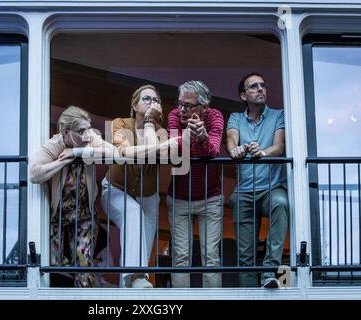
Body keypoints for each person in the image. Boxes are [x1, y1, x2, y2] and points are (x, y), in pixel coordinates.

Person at [29, 105, 118, 288]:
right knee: (53, 264)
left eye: (88, 129)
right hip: (57, 218)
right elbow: (34, 174)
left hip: (84, 216)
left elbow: (114, 154)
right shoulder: (54, 145)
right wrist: (64, 160)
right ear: (66, 132)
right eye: (81, 131)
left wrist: (77, 152)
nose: (87, 135)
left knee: (83, 263)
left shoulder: (89, 139)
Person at [100, 84, 169, 288]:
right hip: (115, 190)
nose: (152, 103)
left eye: (156, 100)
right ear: (134, 104)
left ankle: (131, 290)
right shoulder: (120, 124)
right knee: (132, 211)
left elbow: (158, 155)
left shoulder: (162, 133)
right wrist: (152, 147)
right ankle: (137, 277)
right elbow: (124, 153)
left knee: (140, 252)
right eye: (147, 99)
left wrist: (149, 124)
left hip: (148, 198)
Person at [226, 73, 289, 288]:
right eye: (254, 86)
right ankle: (248, 291)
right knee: (245, 254)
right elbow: (231, 139)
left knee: (281, 203)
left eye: (263, 85)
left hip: (272, 188)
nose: (260, 89)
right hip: (244, 191)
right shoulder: (235, 117)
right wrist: (236, 149)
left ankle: (270, 272)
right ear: (244, 95)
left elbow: (279, 146)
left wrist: (261, 153)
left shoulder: (278, 115)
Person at [166, 80, 224, 288]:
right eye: (180, 103)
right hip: (179, 198)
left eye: (188, 106)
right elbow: (175, 151)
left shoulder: (214, 116)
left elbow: (213, 152)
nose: (182, 109)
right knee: (180, 256)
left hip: (211, 198)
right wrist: (190, 135)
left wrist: (202, 137)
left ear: (204, 107)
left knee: (211, 256)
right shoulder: (174, 115)